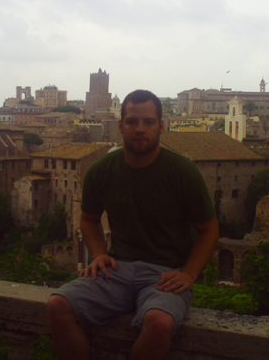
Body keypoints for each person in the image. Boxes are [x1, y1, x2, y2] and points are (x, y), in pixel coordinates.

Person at [47, 89, 219, 360]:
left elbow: (209, 230)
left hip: (165, 274)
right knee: (57, 304)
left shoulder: (183, 172)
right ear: (120, 126)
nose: (140, 129)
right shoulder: (100, 171)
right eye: (132, 122)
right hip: (118, 268)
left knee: (159, 323)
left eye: (148, 122)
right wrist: (100, 254)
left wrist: (189, 273)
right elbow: (89, 220)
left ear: (161, 126)